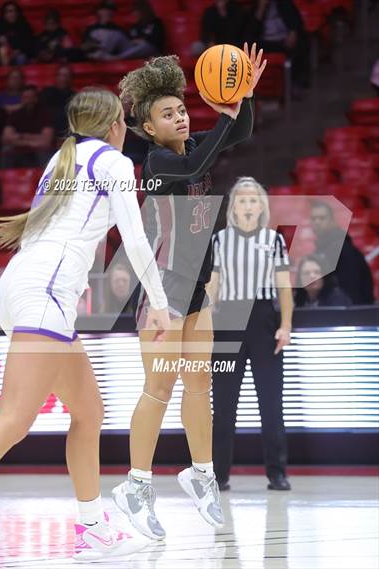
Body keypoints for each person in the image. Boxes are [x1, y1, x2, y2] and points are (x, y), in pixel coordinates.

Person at [0, 88, 170, 561]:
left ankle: (93, 526)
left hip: (21, 287)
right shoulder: (114, 163)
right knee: (15, 419)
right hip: (45, 292)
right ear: (115, 124)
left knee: (89, 412)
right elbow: (135, 240)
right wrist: (158, 303)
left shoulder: (63, 156)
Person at [111, 46, 266, 539]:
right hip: (161, 296)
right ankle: (135, 486)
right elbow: (201, 158)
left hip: (197, 291)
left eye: (181, 110)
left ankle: (200, 475)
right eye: (167, 114)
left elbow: (239, 130)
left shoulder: (194, 144)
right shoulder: (157, 163)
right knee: (159, 391)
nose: (179, 117)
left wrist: (243, 94)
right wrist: (222, 119)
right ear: (149, 128)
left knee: (201, 388)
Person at [207, 176, 293, 493]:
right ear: (233, 206)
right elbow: (214, 284)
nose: (247, 204)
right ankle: (219, 475)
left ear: (262, 206)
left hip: (263, 319)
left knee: (271, 403)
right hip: (227, 317)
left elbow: (284, 286)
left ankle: (277, 473)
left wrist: (285, 325)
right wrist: (206, 319)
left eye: (253, 199)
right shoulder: (219, 240)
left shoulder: (275, 240)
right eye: (241, 199)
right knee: (224, 404)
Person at [310, 201, 374, 305]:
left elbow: (352, 291)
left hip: (351, 316)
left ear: (332, 221)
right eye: (313, 218)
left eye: (322, 218)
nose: (317, 222)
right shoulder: (322, 248)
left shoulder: (343, 249)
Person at [249, 0, 311, 94]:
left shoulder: (284, 3)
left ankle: (296, 83)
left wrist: (293, 32)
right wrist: (261, 9)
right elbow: (251, 32)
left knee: (302, 43)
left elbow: (296, 23)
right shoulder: (255, 7)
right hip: (264, 42)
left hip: (283, 40)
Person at [1, 85, 55, 168]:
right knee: (6, 150)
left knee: (44, 150)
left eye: (31, 97)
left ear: (36, 98)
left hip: (38, 150)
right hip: (21, 148)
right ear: (22, 99)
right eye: (26, 97)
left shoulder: (45, 114)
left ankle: (45, 179)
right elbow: (6, 138)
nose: (29, 100)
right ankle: (6, 178)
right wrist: (32, 141)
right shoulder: (15, 114)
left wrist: (21, 137)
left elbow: (47, 140)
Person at [0, 1, 34, 66]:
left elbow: (30, 45)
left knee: (21, 58)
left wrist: (18, 51)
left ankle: (16, 76)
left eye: (15, 11)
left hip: (17, 55)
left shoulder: (24, 26)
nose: (12, 14)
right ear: (4, 14)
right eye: (9, 11)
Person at [40, 66, 75, 138]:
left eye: (65, 76)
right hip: (45, 129)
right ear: (56, 77)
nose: (62, 78)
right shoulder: (46, 92)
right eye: (60, 75)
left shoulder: (75, 97)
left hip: (65, 130)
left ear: (70, 78)